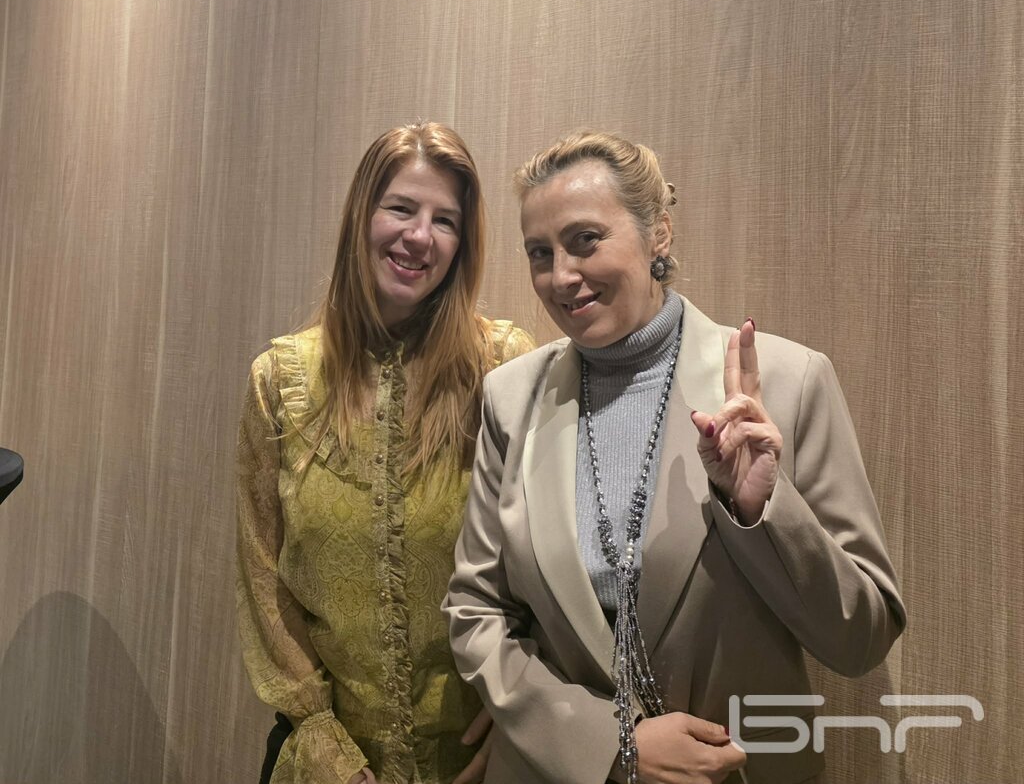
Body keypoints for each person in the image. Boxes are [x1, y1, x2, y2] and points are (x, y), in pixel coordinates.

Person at [443, 131, 906, 784]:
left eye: (585, 240)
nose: (561, 276)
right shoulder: (511, 397)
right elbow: (476, 611)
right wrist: (607, 745)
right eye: (539, 253)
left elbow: (862, 639)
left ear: (658, 233)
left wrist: (761, 511)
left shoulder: (787, 383)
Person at [236, 122, 534, 784]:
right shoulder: (278, 382)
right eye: (401, 208)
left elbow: (545, 565)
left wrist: (525, 708)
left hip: (479, 763)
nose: (420, 236)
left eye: (444, 220)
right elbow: (263, 581)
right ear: (361, 216)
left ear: (462, 243)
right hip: (324, 763)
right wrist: (327, 750)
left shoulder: (503, 367)